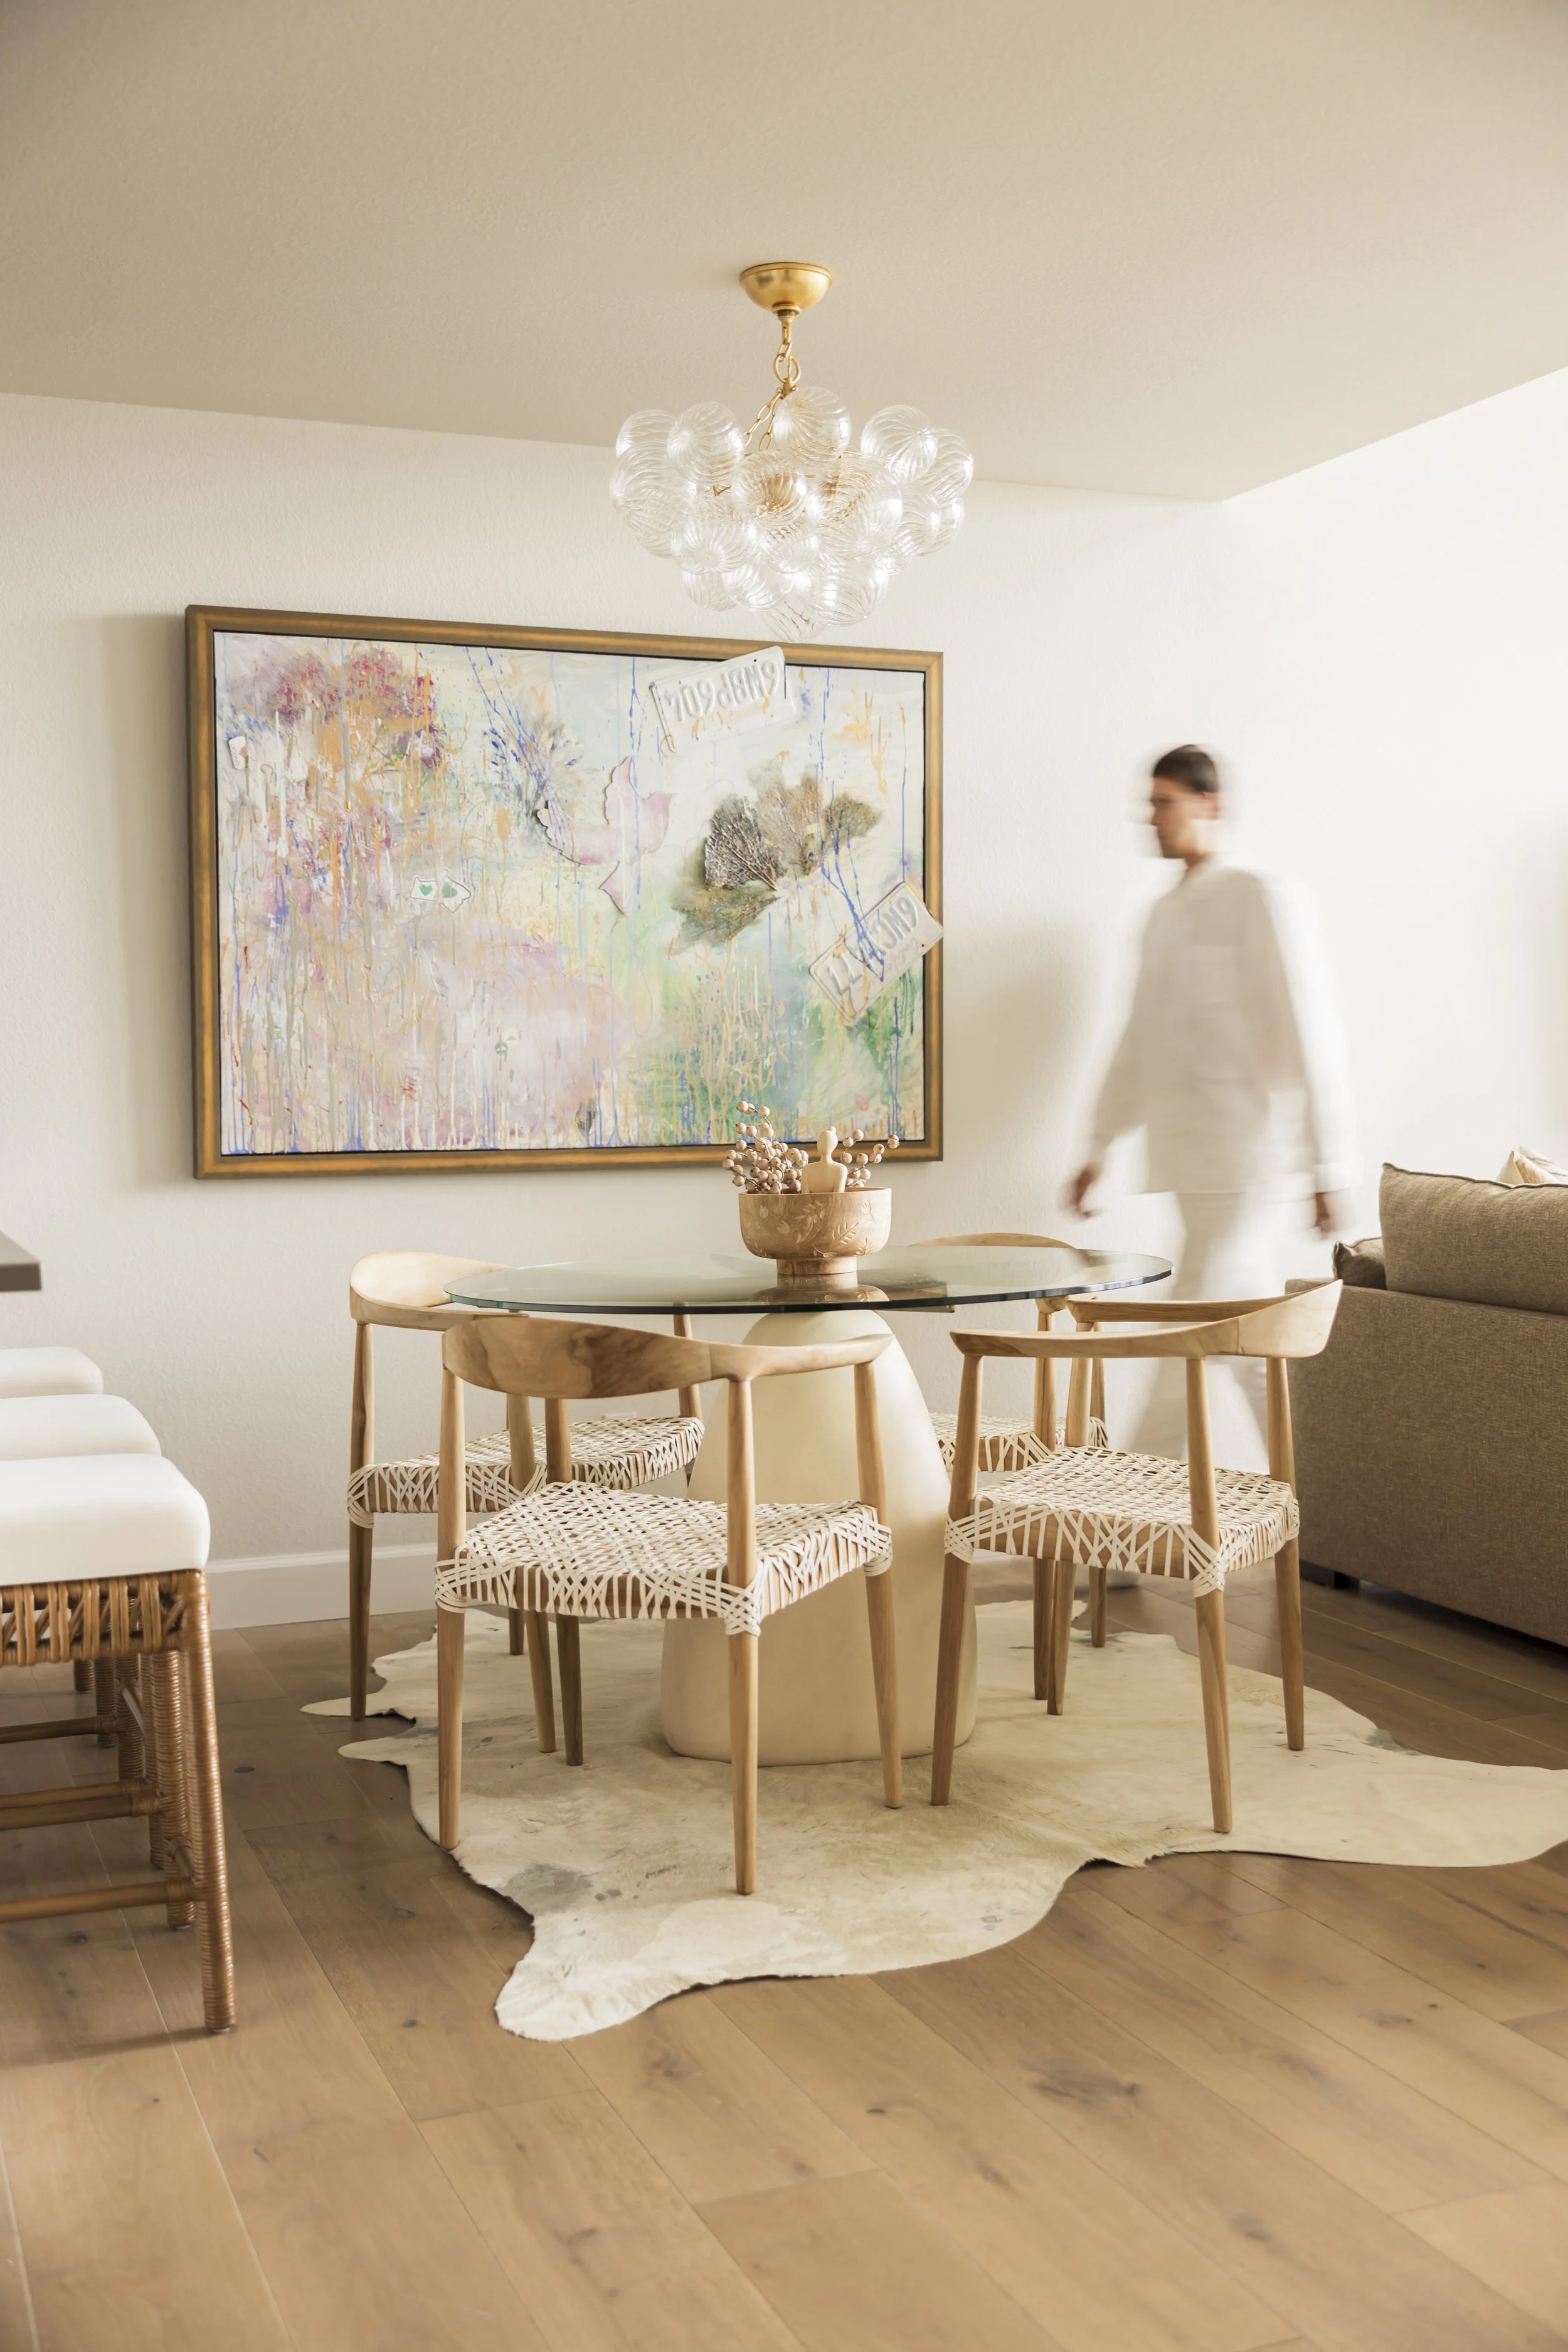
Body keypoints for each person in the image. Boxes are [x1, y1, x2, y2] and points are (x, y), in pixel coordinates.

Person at [1066, 744, 1357, 1458]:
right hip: (1187, 1165)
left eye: (1163, 802)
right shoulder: (1161, 916)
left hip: (1245, 1162)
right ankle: (1318, 1502)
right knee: (1241, 1343)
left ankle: (1137, 1523)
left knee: (1188, 1333)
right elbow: (1136, 1042)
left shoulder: (1260, 897)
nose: (1151, 817)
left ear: (1209, 806)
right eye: (1149, 802)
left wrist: (1327, 1167)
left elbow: (1308, 1029)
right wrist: (1096, 1149)